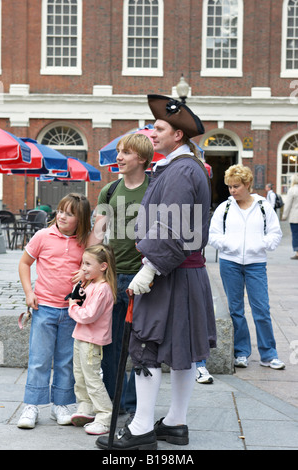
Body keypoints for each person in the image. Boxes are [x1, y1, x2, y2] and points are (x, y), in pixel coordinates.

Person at [97, 94, 216, 450]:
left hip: (168, 273)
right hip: (184, 272)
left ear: (177, 135)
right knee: (183, 349)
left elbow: (171, 226)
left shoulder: (180, 171)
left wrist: (148, 270)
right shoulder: (184, 167)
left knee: (146, 345)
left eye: (159, 127)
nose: (153, 132)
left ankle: (142, 427)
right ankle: (175, 424)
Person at [88, 133, 154, 418]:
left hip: (146, 279)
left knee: (140, 344)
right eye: (118, 152)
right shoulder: (110, 191)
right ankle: (114, 401)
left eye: (125, 153)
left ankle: (132, 402)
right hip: (114, 279)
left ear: (141, 158)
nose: (119, 157)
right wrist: (88, 271)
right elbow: (98, 234)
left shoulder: (155, 189)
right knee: (112, 343)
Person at [17, 193, 91, 429]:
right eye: (60, 211)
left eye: (69, 214)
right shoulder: (43, 236)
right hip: (44, 309)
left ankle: (61, 404)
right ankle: (31, 405)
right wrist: (29, 293)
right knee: (39, 359)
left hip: (71, 312)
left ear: (80, 219)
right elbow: (24, 263)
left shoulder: (86, 241)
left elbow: (97, 269)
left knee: (65, 361)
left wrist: (85, 274)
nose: (61, 216)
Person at [209, 164, 285, 370]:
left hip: (256, 264)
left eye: (236, 186)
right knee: (236, 310)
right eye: (230, 187)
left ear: (248, 184)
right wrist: (228, 245)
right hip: (229, 263)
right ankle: (241, 352)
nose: (232, 190)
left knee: (261, 309)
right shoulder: (224, 208)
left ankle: (268, 355)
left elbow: (275, 234)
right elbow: (213, 235)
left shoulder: (263, 207)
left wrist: (260, 245)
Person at [69, 244, 117, 435]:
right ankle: (86, 407)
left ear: (103, 266)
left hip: (91, 340)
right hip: (80, 336)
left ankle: (105, 415)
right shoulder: (90, 283)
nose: (83, 267)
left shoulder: (103, 289)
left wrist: (72, 307)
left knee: (92, 379)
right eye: (83, 263)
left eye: (88, 264)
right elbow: (76, 294)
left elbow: (89, 315)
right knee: (79, 376)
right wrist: (82, 279)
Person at [282, 174, 298, 259]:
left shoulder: (292, 190)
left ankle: (297, 253)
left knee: (295, 234)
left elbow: (288, 204)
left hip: (295, 217)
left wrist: (284, 215)